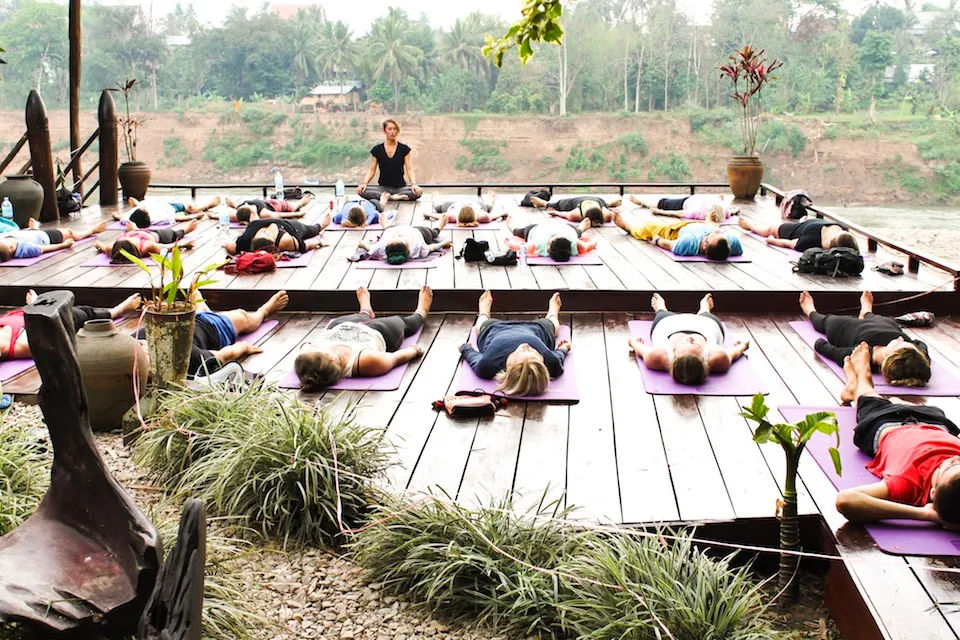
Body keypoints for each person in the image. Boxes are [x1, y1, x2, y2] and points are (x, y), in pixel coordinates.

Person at [834, 343, 960, 527]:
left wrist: (926, 515)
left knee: (868, 394)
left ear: (933, 493)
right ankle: (857, 390)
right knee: (896, 400)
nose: (953, 459)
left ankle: (862, 376)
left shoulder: (907, 484)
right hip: (936, 423)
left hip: (888, 424)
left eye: (949, 467)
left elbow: (845, 500)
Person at [294, 286, 430, 390]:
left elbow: (305, 345)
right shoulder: (364, 362)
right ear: (331, 358)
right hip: (379, 331)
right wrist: (414, 351)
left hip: (342, 326)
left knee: (356, 318)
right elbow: (394, 358)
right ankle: (421, 312)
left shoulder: (308, 358)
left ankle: (365, 310)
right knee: (404, 323)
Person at [800, 290, 931, 397]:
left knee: (826, 322)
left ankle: (810, 310)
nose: (900, 339)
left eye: (898, 345)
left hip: (849, 328)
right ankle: (866, 311)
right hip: (886, 325)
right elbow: (921, 344)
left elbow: (822, 346)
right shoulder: (917, 359)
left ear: (889, 358)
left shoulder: (859, 356)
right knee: (882, 320)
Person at [136, 291, 289, 378]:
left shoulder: (131, 342)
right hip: (212, 327)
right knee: (244, 318)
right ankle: (264, 310)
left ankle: (199, 303)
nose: (141, 345)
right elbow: (224, 356)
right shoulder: (183, 357)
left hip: (182, 317)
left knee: (199, 307)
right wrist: (243, 347)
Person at [460, 290, 570, 397]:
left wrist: (465, 348)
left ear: (508, 366)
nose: (527, 346)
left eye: (522, 351)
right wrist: (563, 348)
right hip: (537, 329)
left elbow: (474, 358)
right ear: (543, 364)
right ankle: (553, 313)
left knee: (482, 325)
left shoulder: (488, 364)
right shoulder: (552, 363)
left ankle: (483, 311)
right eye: (534, 352)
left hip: (495, 328)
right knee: (552, 327)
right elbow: (558, 356)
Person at [628, 293, 749, 386]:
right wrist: (743, 345)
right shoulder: (718, 358)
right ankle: (704, 309)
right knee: (706, 315)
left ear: (673, 357)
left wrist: (633, 343)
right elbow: (733, 353)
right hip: (705, 325)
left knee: (662, 314)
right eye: (696, 345)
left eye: (685, 343)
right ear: (704, 360)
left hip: (669, 324)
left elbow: (641, 350)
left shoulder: (657, 356)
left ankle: (661, 308)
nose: (690, 338)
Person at [0, 290, 141, 360]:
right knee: (79, 312)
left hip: (21, 317)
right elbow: (54, 341)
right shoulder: (23, 345)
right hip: (56, 321)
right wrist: (36, 306)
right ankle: (116, 311)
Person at [612, 211, 742, 260]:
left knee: (650, 226)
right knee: (714, 226)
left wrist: (657, 241)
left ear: (704, 245)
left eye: (711, 236)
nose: (715, 233)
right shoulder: (731, 242)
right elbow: (715, 231)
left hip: (675, 231)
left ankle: (628, 227)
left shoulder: (689, 243)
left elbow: (670, 245)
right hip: (697, 224)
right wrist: (712, 227)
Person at [357, 119, 422, 208]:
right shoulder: (377, 150)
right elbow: (372, 170)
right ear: (384, 131)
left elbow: (409, 169)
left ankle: (387, 198)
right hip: (382, 188)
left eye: (395, 129)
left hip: (400, 188)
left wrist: (414, 184)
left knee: (418, 192)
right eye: (390, 129)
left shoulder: (404, 149)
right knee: (361, 191)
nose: (392, 132)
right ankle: (393, 198)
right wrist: (364, 183)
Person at [0, 218, 109, 263]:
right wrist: (63, 245)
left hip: (31, 234)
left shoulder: (7, 242)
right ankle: (90, 231)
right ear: (10, 249)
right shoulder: (26, 249)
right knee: (69, 232)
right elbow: (43, 249)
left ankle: (34, 228)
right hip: (46, 237)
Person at [359, 215, 451, 265]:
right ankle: (439, 226)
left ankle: (386, 225)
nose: (399, 236)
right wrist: (443, 244)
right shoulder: (417, 248)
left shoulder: (381, 247)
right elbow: (431, 248)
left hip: (392, 229)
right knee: (432, 234)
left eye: (395, 238)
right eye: (400, 238)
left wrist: (363, 244)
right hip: (417, 232)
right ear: (408, 248)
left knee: (388, 230)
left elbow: (370, 248)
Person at [96, 220, 199, 264]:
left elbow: (167, 247)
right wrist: (184, 244)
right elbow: (167, 247)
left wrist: (183, 244)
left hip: (147, 234)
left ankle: (185, 230)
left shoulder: (147, 246)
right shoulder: (113, 249)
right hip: (142, 235)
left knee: (173, 234)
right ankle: (134, 229)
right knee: (171, 235)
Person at [504, 214, 596, 262]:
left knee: (518, 232)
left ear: (547, 248)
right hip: (566, 229)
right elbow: (591, 244)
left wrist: (510, 242)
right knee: (577, 232)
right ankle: (581, 228)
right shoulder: (575, 243)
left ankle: (513, 228)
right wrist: (593, 242)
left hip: (537, 229)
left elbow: (519, 247)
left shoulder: (539, 244)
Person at [738, 216, 859, 252]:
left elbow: (790, 243)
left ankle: (803, 220)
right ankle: (751, 225)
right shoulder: (810, 240)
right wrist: (772, 240)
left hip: (812, 225)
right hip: (800, 229)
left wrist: (773, 241)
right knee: (769, 230)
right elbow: (789, 243)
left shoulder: (841, 229)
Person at [224, 215, 330, 255]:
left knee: (312, 230)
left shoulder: (286, 241)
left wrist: (319, 241)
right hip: (261, 222)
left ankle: (321, 225)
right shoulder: (244, 242)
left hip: (290, 226)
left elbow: (305, 245)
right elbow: (227, 244)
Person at [118, 195, 220, 229]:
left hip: (153, 202)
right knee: (190, 208)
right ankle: (207, 205)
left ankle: (137, 204)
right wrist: (195, 216)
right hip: (168, 207)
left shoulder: (128, 217)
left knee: (140, 204)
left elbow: (121, 218)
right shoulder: (159, 217)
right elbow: (177, 217)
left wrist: (116, 216)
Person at [630, 194, 739, 224]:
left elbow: (733, 211)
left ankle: (642, 202)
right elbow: (678, 213)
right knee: (662, 203)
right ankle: (642, 202)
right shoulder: (698, 211)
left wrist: (659, 212)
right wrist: (660, 211)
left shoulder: (723, 211)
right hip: (689, 200)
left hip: (701, 199)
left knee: (662, 204)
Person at [423, 192, 506, 227]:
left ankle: (434, 196)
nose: (466, 204)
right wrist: (505, 213)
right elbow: (497, 215)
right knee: (488, 207)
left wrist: (427, 214)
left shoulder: (451, 216)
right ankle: (491, 196)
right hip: (475, 203)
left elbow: (435, 215)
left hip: (454, 204)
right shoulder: (483, 216)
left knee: (438, 208)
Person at [218, 194, 315, 224]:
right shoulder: (264, 214)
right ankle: (300, 204)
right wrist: (298, 214)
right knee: (293, 208)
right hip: (273, 206)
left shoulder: (240, 210)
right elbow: (281, 215)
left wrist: (212, 215)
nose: (247, 204)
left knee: (293, 207)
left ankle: (301, 202)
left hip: (267, 203)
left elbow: (220, 216)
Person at [528, 195, 622, 226]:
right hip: (578, 202)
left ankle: (609, 203)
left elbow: (616, 216)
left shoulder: (607, 216)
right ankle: (543, 203)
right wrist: (555, 212)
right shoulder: (576, 215)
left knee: (604, 204)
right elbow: (565, 214)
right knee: (560, 204)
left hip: (597, 201)